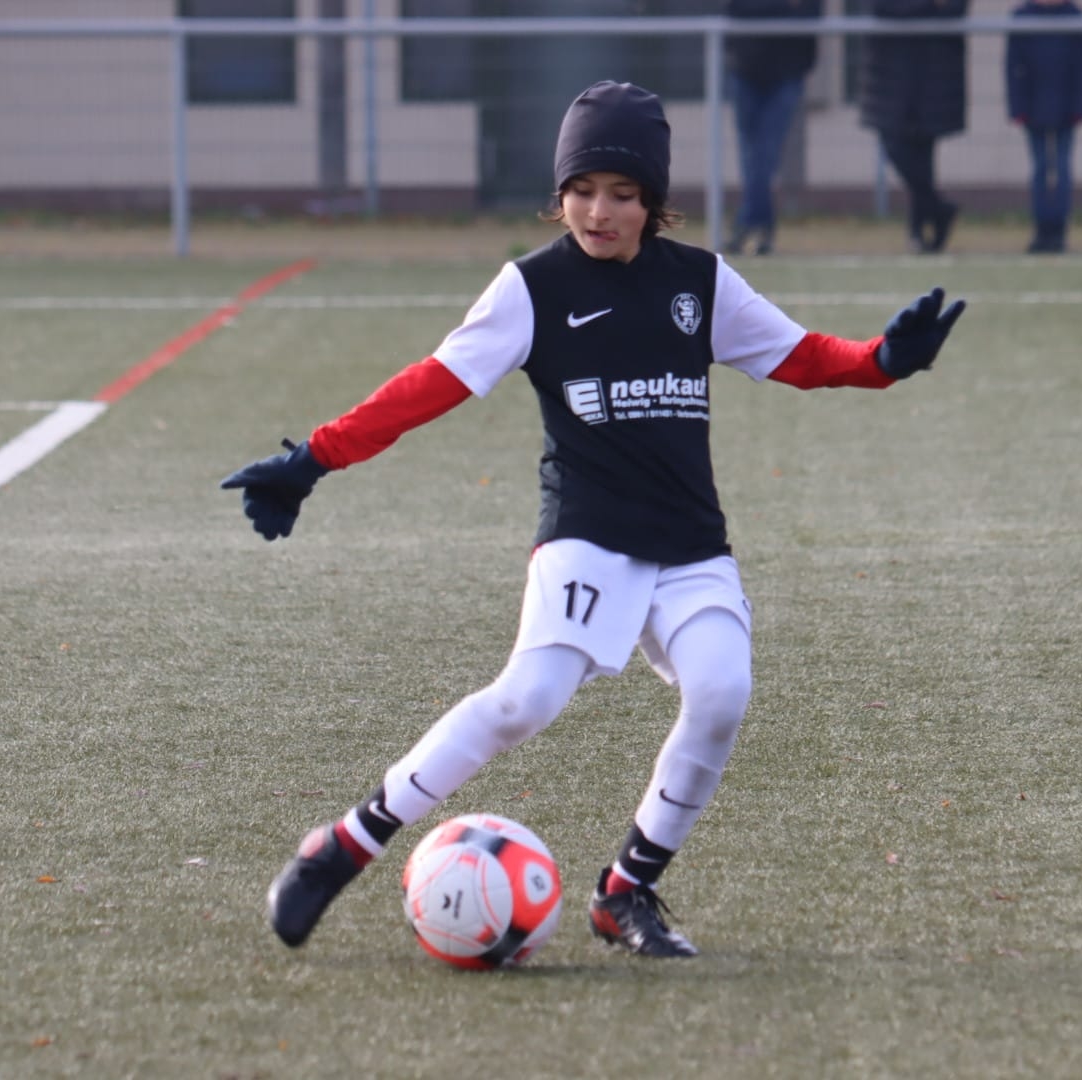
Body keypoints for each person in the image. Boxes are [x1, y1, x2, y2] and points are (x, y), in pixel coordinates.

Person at [225, 81, 966, 959]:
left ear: (654, 202)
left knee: (722, 692)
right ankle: (343, 846)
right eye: (581, 190)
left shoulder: (699, 282)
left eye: (621, 193)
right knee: (525, 701)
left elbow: (801, 356)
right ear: (560, 193)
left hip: (689, 543)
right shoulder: (531, 287)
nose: (598, 211)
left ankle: (625, 892)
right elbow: (431, 385)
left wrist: (883, 360)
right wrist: (313, 459)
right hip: (587, 534)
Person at [859, 0, 970, 253]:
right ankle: (938, 210)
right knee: (894, 146)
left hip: (934, 72)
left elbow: (955, 8)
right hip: (890, 72)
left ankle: (918, 232)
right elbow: (882, 8)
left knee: (923, 155)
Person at [724, 0, 824, 257]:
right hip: (746, 69)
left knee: (765, 154)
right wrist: (784, 6)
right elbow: (738, 9)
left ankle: (747, 224)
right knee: (751, 155)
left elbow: (810, 14)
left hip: (787, 73)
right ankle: (763, 228)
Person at [1006, 0, 1082, 254]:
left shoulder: (1074, 16)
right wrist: (1017, 107)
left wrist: (1080, 106)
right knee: (1040, 168)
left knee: (1062, 168)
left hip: (1066, 106)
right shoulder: (1022, 17)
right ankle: (1041, 229)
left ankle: (1059, 230)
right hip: (1033, 106)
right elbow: (1012, 65)